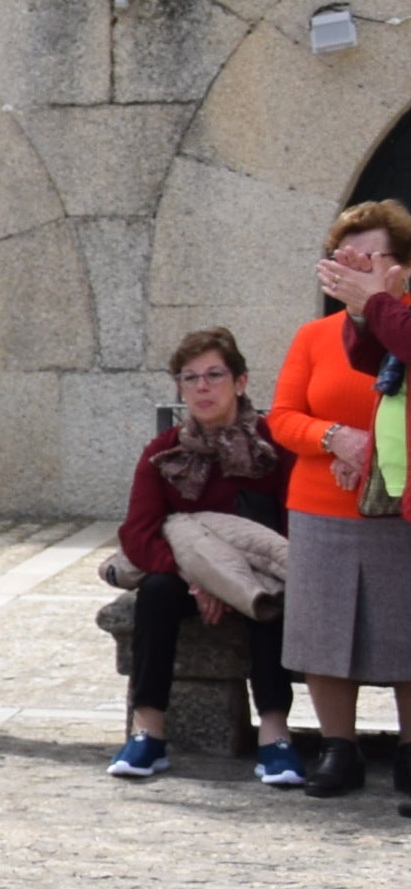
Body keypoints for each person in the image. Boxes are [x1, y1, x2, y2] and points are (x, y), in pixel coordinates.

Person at [111, 325, 302, 787]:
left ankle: (275, 735)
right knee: (155, 594)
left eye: (214, 375)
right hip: (184, 572)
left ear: (240, 382)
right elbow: (139, 534)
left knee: (267, 602)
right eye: (190, 377)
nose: (202, 387)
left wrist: (234, 579)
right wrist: (201, 580)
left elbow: (292, 522)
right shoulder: (163, 453)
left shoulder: (273, 447)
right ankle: (149, 731)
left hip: (262, 567)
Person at [269, 199, 411, 803]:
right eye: (348, 259)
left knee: (405, 633)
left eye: (372, 259)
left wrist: (375, 304)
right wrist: (333, 436)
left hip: (396, 505)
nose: (359, 270)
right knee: (324, 634)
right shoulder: (323, 334)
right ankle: (338, 749)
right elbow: (281, 417)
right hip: (323, 505)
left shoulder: (398, 321)